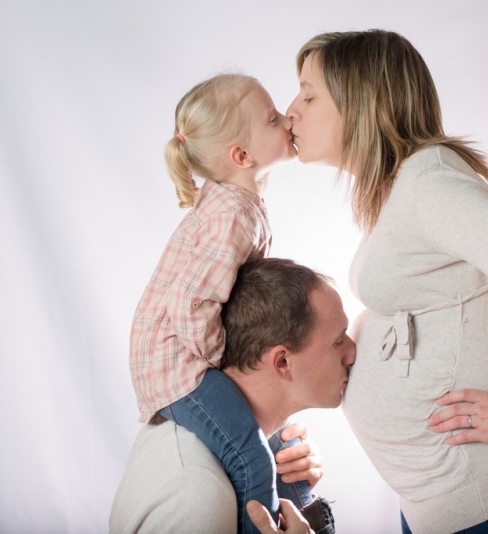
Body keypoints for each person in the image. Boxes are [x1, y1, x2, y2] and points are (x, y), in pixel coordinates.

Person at [286, 30, 488, 534]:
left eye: (309, 94)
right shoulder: (400, 187)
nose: (292, 110)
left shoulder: (428, 184)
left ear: (363, 102)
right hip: (449, 503)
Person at [128, 73, 303, 533]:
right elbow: (192, 305)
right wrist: (222, 361)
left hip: (178, 357)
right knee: (252, 458)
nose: (287, 118)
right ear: (242, 156)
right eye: (272, 118)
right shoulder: (233, 214)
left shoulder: (235, 200)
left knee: (280, 444)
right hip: (179, 365)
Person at [112, 257, 353, 533]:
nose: (353, 352)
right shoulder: (200, 498)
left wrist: (304, 502)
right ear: (282, 362)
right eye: (338, 341)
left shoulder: (266, 450)